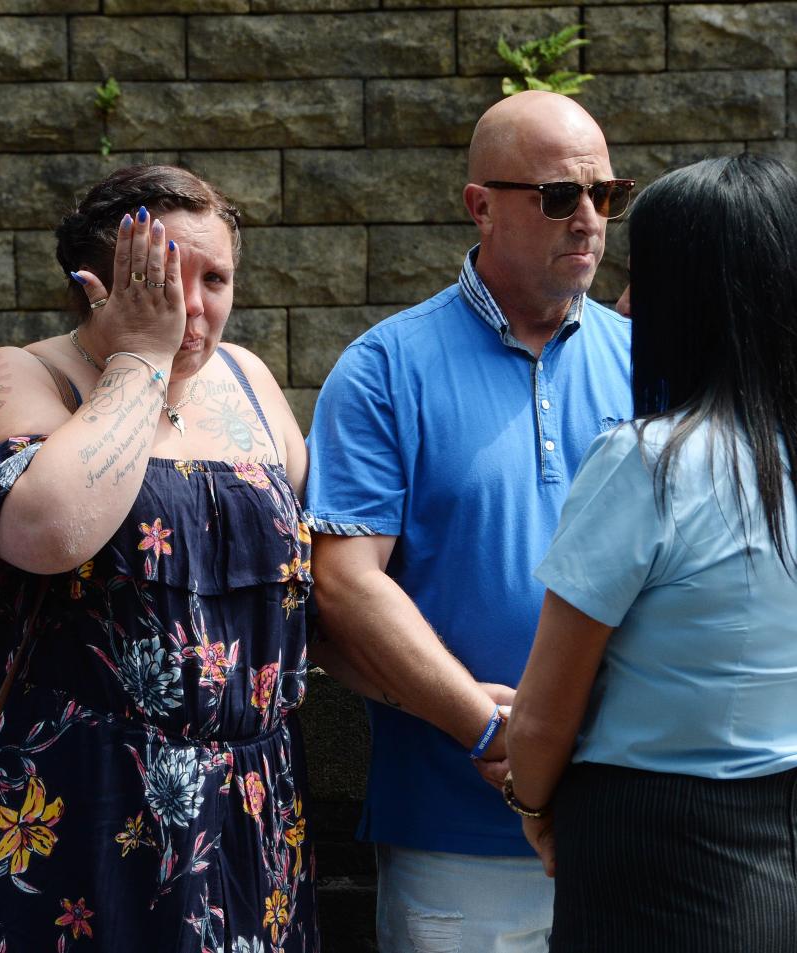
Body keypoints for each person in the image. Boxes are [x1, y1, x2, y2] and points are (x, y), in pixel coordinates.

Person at [0, 165, 319, 953]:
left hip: (243, 811)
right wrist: (139, 358)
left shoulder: (252, 383)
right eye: (159, 279)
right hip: (70, 807)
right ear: (96, 283)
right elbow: (50, 530)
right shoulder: (18, 377)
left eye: (215, 278)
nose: (192, 309)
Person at [304, 90, 634, 951]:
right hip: (457, 840)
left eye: (606, 194)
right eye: (560, 195)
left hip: (632, 827)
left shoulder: (650, 362)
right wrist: (491, 731)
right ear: (479, 206)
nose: (589, 219)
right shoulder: (383, 369)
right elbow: (341, 580)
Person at [506, 152, 797, 953]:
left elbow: (540, 713)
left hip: (647, 846)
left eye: (644, 278)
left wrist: (532, 808)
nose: (624, 304)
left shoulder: (648, 461)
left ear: (699, 299)